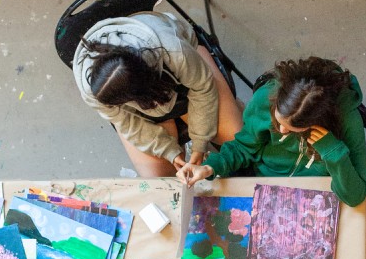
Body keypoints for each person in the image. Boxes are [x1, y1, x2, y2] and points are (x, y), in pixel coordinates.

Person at [176, 57, 366, 207]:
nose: (282, 131)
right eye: (278, 122)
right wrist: (210, 168)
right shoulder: (265, 98)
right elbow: (243, 148)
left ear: (319, 121)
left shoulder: (347, 120)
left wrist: (333, 152)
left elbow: (355, 197)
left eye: (294, 129)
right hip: (263, 184)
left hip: (316, 195)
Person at [72, 11, 243, 177]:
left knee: (235, 139)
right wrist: (170, 152)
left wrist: (199, 144)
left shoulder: (174, 52)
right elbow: (127, 123)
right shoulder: (93, 91)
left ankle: (233, 111)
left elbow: (202, 88)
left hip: (187, 82)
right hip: (146, 103)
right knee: (159, 178)